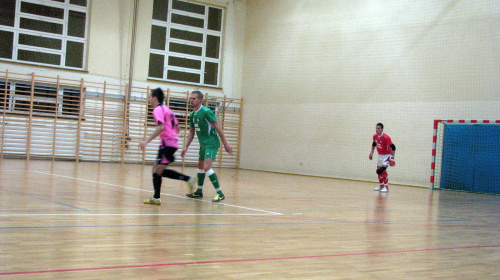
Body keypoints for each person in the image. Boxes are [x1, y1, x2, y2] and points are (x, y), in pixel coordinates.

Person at [139, 88, 195, 205]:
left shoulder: (157, 110)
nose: (148, 100)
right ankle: (157, 197)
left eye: (149, 97)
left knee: (158, 170)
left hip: (167, 143)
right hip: (170, 143)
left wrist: (146, 141)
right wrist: (172, 136)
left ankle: (186, 180)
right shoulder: (167, 109)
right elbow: (178, 127)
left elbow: (161, 127)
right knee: (157, 169)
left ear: (154, 98)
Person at [181, 90, 233, 202]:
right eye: (191, 98)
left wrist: (225, 143)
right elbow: (191, 131)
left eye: (194, 98)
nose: (191, 100)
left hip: (211, 143)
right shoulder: (193, 114)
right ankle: (199, 191)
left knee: (206, 167)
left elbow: (218, 126)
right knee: (200, 166)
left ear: (200, 100)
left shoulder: (206, 112)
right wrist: (186, 146)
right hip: (203, 144)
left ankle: (220, 193)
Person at [369, 123, 396, 192]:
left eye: (378, 128)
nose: (377, 130)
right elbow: (374, 143)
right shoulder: (375, 136)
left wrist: (392, 159)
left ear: (382, 129)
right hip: (380, 155)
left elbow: (393, 147)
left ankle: (386, 187)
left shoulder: (386, 137)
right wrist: (371, 152)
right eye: (376, 128)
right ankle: (381, 185)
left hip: (386, 155)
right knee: (378, 171)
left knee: (383, 170)